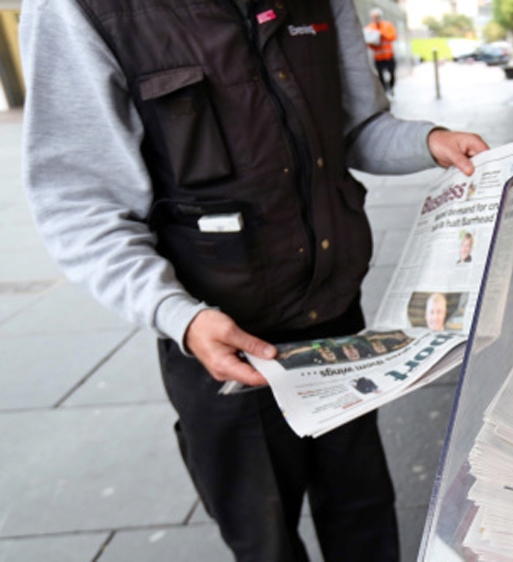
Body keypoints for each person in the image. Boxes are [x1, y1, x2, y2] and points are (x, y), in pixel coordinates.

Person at [18, 0, 488, 560]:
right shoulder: (78, 11)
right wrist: (180, 316)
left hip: (339, 324)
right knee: (263, 539)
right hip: (221, 344)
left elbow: (356, 128)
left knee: (363, 514)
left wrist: (428, 141)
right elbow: (80, 202)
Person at [366, 7, 397, 95]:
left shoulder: (387, 25)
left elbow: (392, 36)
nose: (375, 19)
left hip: (389, 55)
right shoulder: (370, 28)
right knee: (380, 75)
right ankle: (384, 91)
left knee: (392, 73)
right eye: (373, 17)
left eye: (377, 17)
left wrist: (382, 35)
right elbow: (368, 42)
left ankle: (390, 87)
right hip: (378, 57)